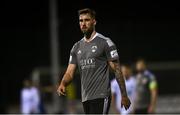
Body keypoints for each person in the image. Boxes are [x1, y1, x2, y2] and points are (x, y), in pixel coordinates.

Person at [57, 8, 131, 114]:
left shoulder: (105, 43)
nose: (83, 23)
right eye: (81, 21)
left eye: (87, 20)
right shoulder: (76, 47)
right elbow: (69, 72)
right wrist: (63, 83)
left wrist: (124, 95)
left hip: (101, 95)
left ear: (94, 22)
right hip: (86, 97)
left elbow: (117, 69)